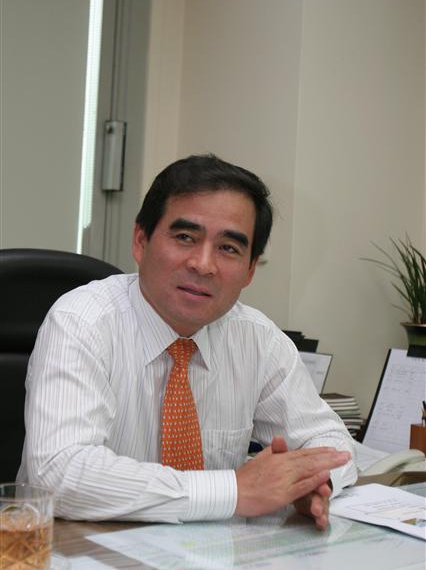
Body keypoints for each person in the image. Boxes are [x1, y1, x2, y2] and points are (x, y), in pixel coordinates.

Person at [18, 154, 356, 529]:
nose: (203, 264)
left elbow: (330, 440)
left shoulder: (257, 339)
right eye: (185, 238)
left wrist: (311, 483)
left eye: (228, 248)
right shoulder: (82, 322)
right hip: (81, 547)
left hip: (210, 554)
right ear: (140, 241)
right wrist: (233, 490)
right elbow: (58, 472)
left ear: (249, 270)